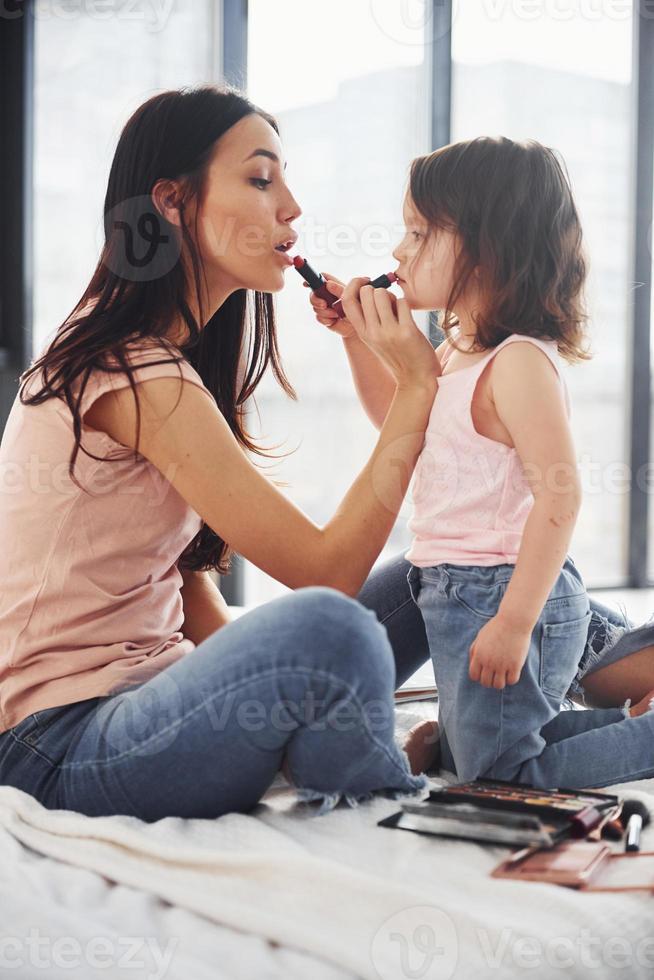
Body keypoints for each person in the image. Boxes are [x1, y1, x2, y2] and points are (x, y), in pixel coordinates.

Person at [0, 85, 439, 820]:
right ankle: (379, 769)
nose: (291, 206)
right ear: (172, 202)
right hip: (62, 743)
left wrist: (262, 673)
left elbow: (176, 584)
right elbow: (325, 574)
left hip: (151, 704)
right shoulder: (133, 370)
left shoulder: (169, 361)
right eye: (261, 179)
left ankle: (590, 681)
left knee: (441, 574)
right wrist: (416, 384)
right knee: (333, 628)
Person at [308, 136, 654, 790]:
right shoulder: (456, 349)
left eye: (418, 233)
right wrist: (357, 341)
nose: (397, 251)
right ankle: (468, 735)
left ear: (487, 250)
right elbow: (400, 426)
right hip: (442, 578)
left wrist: (515, 622)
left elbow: (562, 498)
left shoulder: (518, 362)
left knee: (503, 774)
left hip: (500, 590)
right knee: (480, 749)